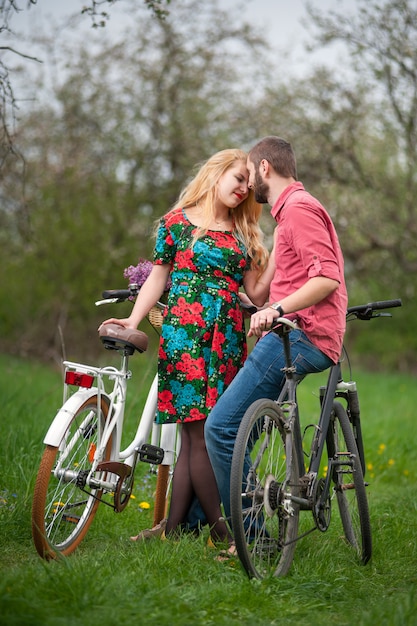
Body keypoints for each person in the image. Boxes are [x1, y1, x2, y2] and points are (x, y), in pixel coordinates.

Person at [99, 148, 274, 545]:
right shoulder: (176, 224)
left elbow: (256, 295)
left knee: (205, 436)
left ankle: (173, 531)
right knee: (195, 434)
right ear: (216, 175)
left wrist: (278, 254)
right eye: (239, 179)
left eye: (249, 184)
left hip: (226, 341)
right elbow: (158, 278)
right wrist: (132, 319)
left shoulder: (243, 232)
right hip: (185, 338)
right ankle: (223, 532)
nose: (245, 190)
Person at [205, 136, 348, 554]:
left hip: (301, 335)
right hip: (301, 330)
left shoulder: (300, 211)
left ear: (265, 167)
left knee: (221, 427)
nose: (248, 185)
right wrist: (258, 301)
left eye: (249, 175)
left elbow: (326, 280)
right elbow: (282, 285)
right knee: (237, 434)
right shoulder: (290, 216)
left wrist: (276, 310)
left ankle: (255, 538)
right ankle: (205, 517)